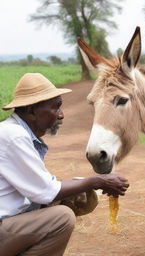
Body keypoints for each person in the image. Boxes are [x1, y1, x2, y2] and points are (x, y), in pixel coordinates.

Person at [0, 73, 129, 256]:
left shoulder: (12, 132)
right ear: (31, 111)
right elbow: (46, 192)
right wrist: (98, 181)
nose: (61, 115)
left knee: (59, 202)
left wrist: (76, 188)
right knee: (61, 218)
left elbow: (41, 190)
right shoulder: (15, 136)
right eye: (56, 107)